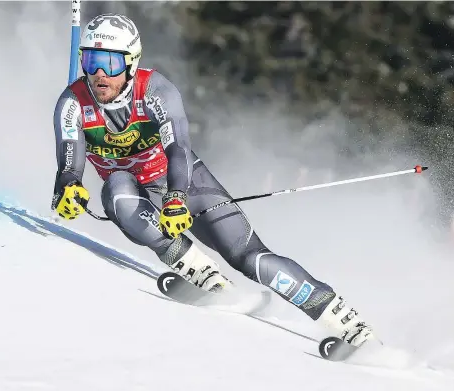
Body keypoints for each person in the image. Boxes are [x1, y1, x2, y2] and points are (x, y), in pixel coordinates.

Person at [51, 13, 373, 346]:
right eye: (91, 60)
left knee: (251, 258)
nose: (100, 74)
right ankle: (203, 273)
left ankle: (346, 323)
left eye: (111, 62)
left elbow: (178, 148)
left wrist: (176, 196)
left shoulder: (156, 91)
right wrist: (68, 186)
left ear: (131, 63)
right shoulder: (73, 103)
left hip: (186, 183)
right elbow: (70, 161)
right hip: (134, 191)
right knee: (116, 188)